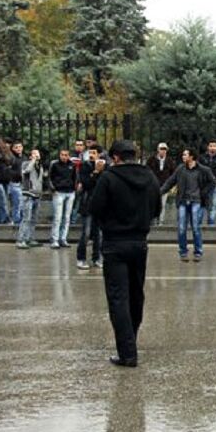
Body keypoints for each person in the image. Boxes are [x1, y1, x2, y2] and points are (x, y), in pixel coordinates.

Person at [88, 139, 161, 367]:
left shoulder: (109, 177)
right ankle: (132, 340)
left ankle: (128, 352)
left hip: (114, 243)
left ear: (116, 157)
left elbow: (93, 207)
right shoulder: (149, 176)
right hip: (139, 242)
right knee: (135, 294)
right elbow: (157, 207)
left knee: (118, 298)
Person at [160, 148, 216, 262]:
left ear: (192, 157)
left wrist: (203, 193)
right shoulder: (180, 169)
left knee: (196, 227)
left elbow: (213, 182)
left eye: (185, 155)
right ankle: (183, 252)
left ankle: (198, 252)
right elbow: (170, 181)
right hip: (183, 202)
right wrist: (159, 192)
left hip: (197, 202)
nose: (183, 156)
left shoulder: (203, 170)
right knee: (181, 228)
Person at [76, 147, 105, 269]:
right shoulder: (85, 166)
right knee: (86, 233)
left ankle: (97, 257)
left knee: (99, 233)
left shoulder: (105, 167)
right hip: (88, 203)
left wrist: (101, 170)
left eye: (94, 153)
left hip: (99, 204)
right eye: (90, 153)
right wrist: (95, 172)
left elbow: (104, 183)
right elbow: (86, 183)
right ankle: (81, 258)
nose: (92, 155)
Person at [15, 149, 44, 249]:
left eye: (38, 153)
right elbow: (26, 171)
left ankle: (30, 238)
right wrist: (32, 161)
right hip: (27, 194)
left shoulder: (40, 166)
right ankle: (20, 240)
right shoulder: (25, 164)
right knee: (26, 218)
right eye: (34, 154)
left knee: (33, 219)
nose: (37, 155)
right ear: (30, 156)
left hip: (37, 195)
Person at [48, 148, 77, 248]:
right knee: (58, 217)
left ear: (68, 156)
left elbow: (75, 177)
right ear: (59, 155)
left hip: (70, 192)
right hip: (59, 192)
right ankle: (54, 239)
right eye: (62, 155)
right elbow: (50, 177)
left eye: (66, 155)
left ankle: (63, 238)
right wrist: (53, 189)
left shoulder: (72, 165)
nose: (64, 157)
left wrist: (74, 188)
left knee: (67, 217)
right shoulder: (55, 165)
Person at [146, 142, 176, 224]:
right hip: (153, 185)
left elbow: (173, 173)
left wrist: (172, 185)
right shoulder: (151, 159)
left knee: (162, 204)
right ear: (158, 150)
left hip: (165, 185)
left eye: (164, 149)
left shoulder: (169, 161)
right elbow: (147, 171)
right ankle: (153, 220)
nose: (163, 151)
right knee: (153, 203)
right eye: (161, 149)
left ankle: (160, 221)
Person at [198, 140, 216, 225]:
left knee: (214, 205)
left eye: (214, 146)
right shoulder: (202, 158)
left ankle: (211, 225)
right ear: (208, 147)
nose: (212, 147)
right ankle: (199, 224)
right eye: (211, 145)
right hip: (204, 185)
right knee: (201, 205)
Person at [7, 140, 25, 226]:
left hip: (23, 184)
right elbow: (8, 171)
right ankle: (16, 222)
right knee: (17, 203)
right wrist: (18, 174)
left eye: (20, 147)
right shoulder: (11, 158)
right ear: (12, 149)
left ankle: (20, 221)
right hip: (14, 184)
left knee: (22, 204)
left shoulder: (24, 158)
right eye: (16, 147)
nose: (18, 149)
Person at [70, 139, 86, 225]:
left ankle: (74, 220)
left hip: (82, 182)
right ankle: (71, 220)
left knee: (79, 201)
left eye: (80, 145)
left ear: (83, 146)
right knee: (73, 202)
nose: (79, 146)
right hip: (72, 182)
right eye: (77, 145)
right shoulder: (71, 156)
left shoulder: (86, 156)